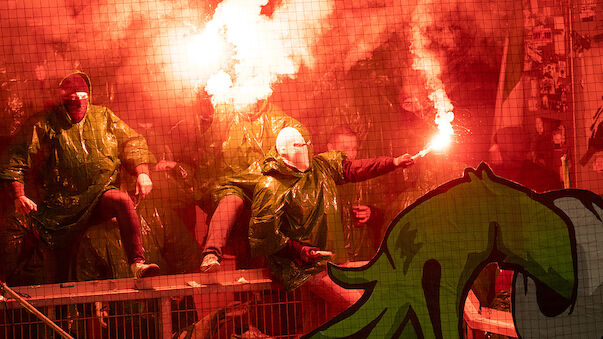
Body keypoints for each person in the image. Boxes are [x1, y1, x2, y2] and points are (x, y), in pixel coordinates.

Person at [0, 71, 159, 281]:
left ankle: (137, 263)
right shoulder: (46, 123)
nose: (78, 104)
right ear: (63, 99)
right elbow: (17, 153)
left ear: (89, 97)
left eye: (82, 98)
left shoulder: (104, 117)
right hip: (61, 206)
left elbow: (132, 141)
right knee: (59, 264)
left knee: (121, 200)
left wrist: (142, 172)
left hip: (99, 196)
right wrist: (18, 194)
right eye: (72, 99)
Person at [249, 127, 416, 316]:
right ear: (282, 151)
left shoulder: (321, 167)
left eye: (304, 143)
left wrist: (392, 162)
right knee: (363, 308)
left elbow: (355, 168)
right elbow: (264, 236)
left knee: (373, 298)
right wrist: (299, 250)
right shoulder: (271, 186)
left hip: (334, 261)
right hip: (302, 268)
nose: (303, 147)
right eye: (296, 145)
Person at [196, 99, 311, 272]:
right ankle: (211, 254)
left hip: (266, 187)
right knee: (231, 202)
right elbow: (208, 148)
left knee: (261, 224)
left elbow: (303, 140)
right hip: (234, 185)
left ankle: (256, 293)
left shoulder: (278, 119)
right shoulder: (227, 116)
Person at [326, 125, 383, 261]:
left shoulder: (366, 177)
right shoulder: (319, 177)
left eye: (354, 149)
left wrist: (372, 213)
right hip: (330, 259)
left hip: (363, 257)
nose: (351, 155)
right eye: (345, 149)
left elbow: (386, 211)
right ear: (330, 148)